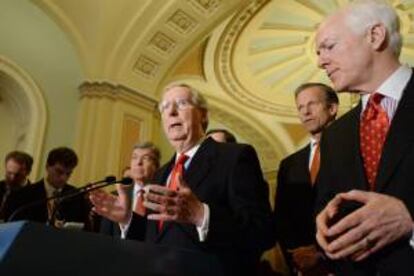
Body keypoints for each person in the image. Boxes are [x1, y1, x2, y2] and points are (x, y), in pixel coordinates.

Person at [91, 83, 274, 275]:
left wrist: (202, 216)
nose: (171, 112)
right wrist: (128, 220)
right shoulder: (160, 174)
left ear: (203, 114)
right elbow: (156, 238)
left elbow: (262, 233)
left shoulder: (234, 157)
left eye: (181, 103)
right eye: (164, 107)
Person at [314, 0, 414, 274]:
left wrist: (410, 220)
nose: (320, 61)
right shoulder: (334, 135)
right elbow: (327, 204)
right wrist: (325, 226)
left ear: (375, 35)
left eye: (329, 46)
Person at [274, 83, 338, 275]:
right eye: (300, 107)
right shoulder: (289, 164)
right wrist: (297, 257)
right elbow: (282, 218)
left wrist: (321, 254)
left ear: (332, 108)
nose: (305, 112)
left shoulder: (352, 150)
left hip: (346, 261)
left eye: (312, 104)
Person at [6, 147, 90, 229]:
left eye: (68, 174)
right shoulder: (23, 194)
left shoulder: (76, 196)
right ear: (47, 167)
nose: (63, 178)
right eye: (59, 172)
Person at [99, 142, 160, 238]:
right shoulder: (115, 197)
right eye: (134, 157)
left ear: (156, 166)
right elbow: (104, 236)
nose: (138, 162)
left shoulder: (162, 198)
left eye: (145, 158)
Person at [0, 151, 33, 220]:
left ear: (28, 172)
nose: (12, 178)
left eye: (17, 175)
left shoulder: (34, 195)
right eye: (9, 173)